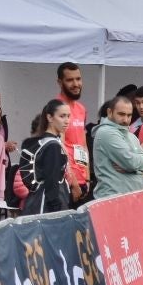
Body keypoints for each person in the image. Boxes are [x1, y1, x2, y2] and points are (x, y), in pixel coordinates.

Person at [91, 96, 143, 199]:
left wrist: (133, 168)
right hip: (113, 200)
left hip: (132, 200)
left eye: (129, 115)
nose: (125, 120)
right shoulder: (107, 132)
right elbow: (130, 162)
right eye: (121, 114)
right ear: (109, 112)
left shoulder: (131, 136)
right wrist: (136, 165)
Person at [21, 100, 72, 215]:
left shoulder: (42, 141)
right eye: (62, 116)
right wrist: (56, 207)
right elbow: (51, 179)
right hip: (48, 203)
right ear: (49, 117)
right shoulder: (53, 145)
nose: (67, 121)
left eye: (68, 116)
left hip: (37, 199)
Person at [55, 62, 91, 207]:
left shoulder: (81, 109)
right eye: (70, 80)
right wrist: (73, 182)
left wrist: (87, 178)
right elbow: (59, 147)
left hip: (82, 181)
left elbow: (83, 145)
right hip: (64, 182)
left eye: (78, 79)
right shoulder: (57, 107)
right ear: (60, 82)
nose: (76, 84)